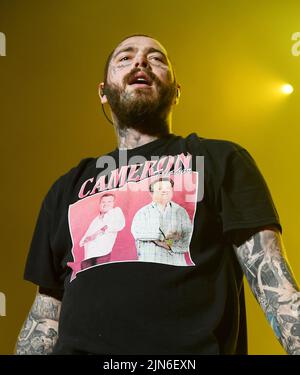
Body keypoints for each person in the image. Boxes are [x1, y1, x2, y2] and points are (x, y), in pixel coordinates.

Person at [16, 34, 300, 355]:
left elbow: (275, 284)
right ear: (103, 93)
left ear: (176, 93)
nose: (140, 62)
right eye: (125, 57)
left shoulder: (219, 160)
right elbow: (45, 313)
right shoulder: (67, 188)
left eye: (156, 58)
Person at [131, 177, 193, 266]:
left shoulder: (180, 212)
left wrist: (166, 244)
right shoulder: (143, 212)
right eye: (160, 188)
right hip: (150, 262)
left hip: (175, 264)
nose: (165, 191)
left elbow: (188, 239)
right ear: (151, 193)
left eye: (168, 188)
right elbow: (138, 233)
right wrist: (164, 237)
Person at [79, 193, 125, 269]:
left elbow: (119, 224)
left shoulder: (116, 211)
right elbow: (89, 233)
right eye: (103, 202)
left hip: (102, 253)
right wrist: (84, 240)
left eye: (109, 202)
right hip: (89, 255)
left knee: (100, 276)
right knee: (86, 276)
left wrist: (98, 232)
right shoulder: (96, 219)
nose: (106, 204)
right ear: (99, 204)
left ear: (113, 203)